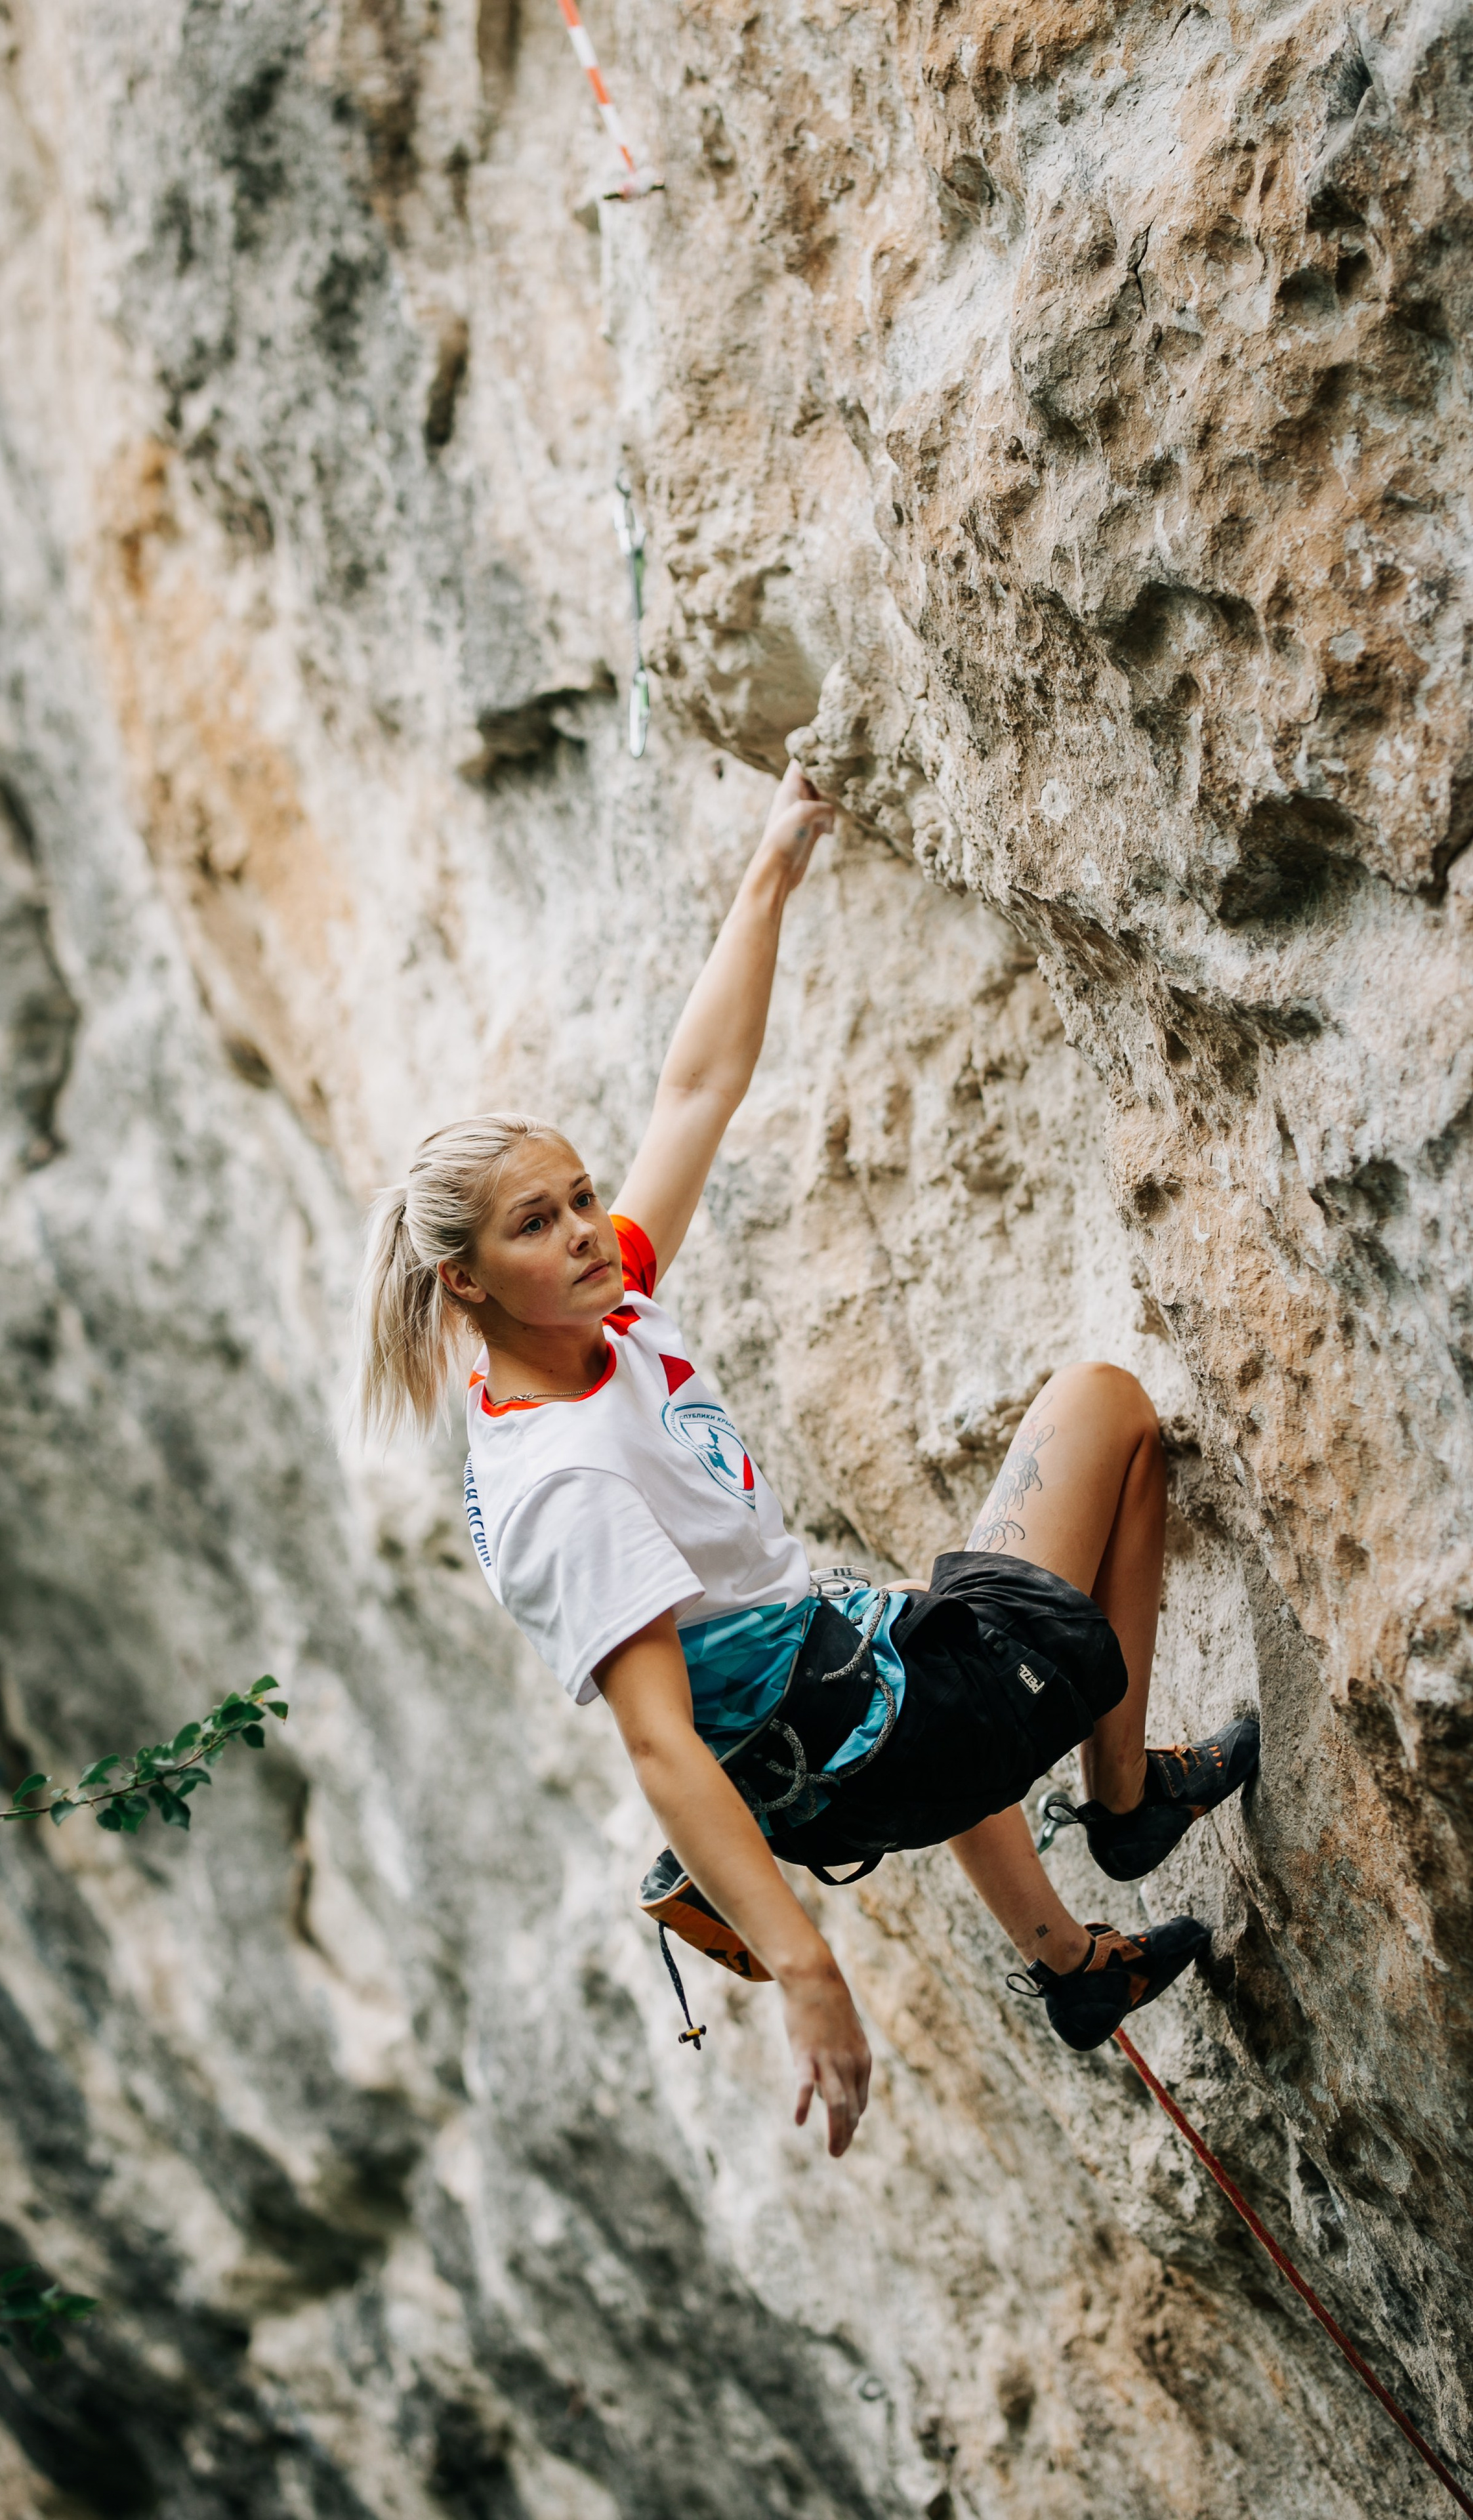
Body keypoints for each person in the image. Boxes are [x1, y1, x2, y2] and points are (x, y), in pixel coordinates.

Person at [357, 763, 1259, 2158]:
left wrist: (774, 860)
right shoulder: (564, 1483)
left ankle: (1076, 1972)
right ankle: (1126, 1802)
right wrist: (807, 1970)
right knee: (1104, 1413)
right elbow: (656, 1742)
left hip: (838, 1702)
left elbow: (695, 1090)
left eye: (582, 1196)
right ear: (465, 1285)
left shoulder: (598, 1321)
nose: (588, 1230)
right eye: (537, 1224)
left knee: (916, 1623)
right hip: (859, 1748)